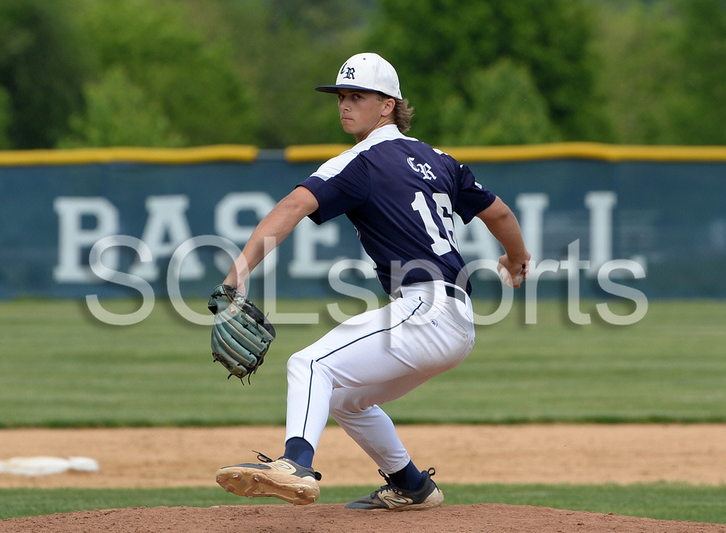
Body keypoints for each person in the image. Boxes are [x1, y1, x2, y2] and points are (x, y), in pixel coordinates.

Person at [215, 52, 530, 511]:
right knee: (345, 398)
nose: (345, 105)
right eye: (341, 96)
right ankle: (412, 485)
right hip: (456, 321)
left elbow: (290, 208)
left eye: (357, 96)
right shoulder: (440, 159)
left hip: (425, 311)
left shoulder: (359, 161)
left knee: (310, 365)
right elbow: (498, 212)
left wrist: (233, 280)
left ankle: (295, 465)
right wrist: (517, 259)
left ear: (388, 105)